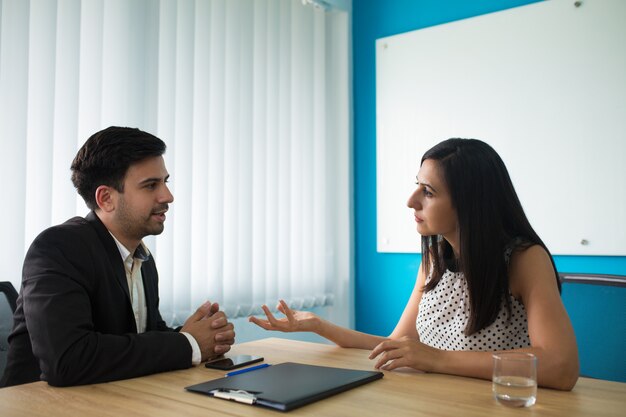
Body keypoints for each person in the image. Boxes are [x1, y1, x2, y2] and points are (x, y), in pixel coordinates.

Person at [249, 138, 579, 391]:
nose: (411, 201)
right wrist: (321, 327)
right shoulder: (435, 260)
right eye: (416, 185)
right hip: (436, 402)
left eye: (429, 192)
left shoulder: (524, 259)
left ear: (470, 204)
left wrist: (437, 359)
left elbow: (561, 366)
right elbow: (398, 347)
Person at [1, 126, 235, 387]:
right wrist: (187, 344)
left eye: (165, 181)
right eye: (150, 185)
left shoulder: (142, 259)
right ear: (106, 198)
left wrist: (200, 336)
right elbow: (68, 360)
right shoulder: (58, 248)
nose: (168, 196)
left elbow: (140, 338)